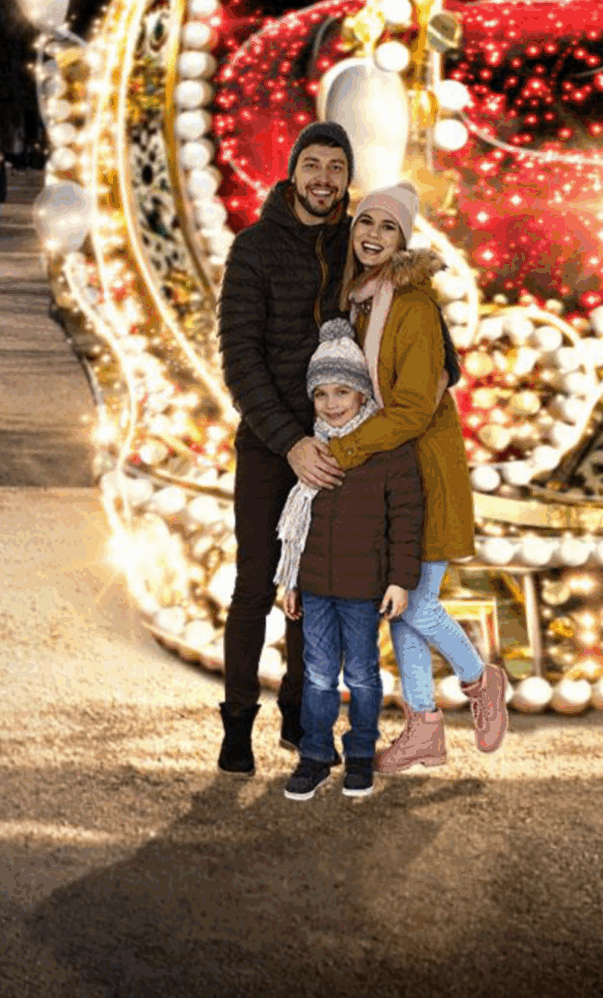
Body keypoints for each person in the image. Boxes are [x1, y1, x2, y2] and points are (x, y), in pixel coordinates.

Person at [290, 181, 511, 769]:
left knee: (414, 605)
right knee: (402, 608)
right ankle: (426, 727)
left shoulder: (409, 306)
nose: (373, 237)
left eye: (389, 229)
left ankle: (479, 680)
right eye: (367, 224)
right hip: (388, 469)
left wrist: (348, 448)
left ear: (404, 240)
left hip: (422, 470)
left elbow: (413, 407)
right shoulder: (362, 301)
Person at [211, 119, 352, 774]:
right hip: (271, 447)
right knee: (254, 588)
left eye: (337, 168)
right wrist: (289, 440)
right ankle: (237, 722)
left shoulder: (361, 248)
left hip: (336, 450)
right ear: (293, 170)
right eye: (314, 165)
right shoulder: (256, 249)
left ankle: (300, 716)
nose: (324, 179)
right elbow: (240, 360)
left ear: (348, 179)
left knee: (315, 591)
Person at [274, 319, 421, 802]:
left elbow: (405, 517)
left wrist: (400, 580)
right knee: (317, 675)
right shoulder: (310, 451)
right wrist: (290, 581)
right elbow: (295, 526)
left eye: (343, 391)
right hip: (315, 585)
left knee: (361, 674)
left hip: (363, 587)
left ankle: (360, 754)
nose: (332, 403)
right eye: (321, 394)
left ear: (362, 395)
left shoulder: (386, 451)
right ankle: (315, 756)